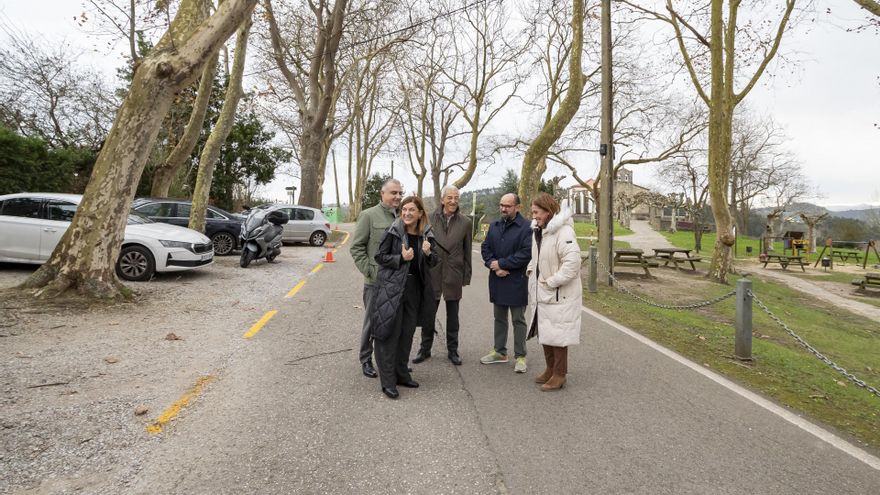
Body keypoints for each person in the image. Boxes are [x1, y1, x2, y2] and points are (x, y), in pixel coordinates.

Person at [370, 196, 438, 399]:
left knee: (407, 334)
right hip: (392, 289)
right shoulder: (393, 232)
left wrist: (427, 254)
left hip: (415, 291)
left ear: (420, 214)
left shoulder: (427, 235)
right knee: (389, 335)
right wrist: (401, 258)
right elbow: (380, 257)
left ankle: (402, 374)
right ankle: (388, 381)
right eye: (404, 210)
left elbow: (435, 261)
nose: (407, 213)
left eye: (411, 210)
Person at [525, 193, 582, 391]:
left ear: (548, 212)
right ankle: (550, 369)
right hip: (543, 292)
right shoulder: (540, 232)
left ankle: (560, 374)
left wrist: (551, 282)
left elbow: (573, 264)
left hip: (559, 294)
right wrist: (530, 269)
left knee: (558, 335)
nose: (534, 217)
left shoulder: (563, 232)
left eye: (536, 212)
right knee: (545, 330)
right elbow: (538, 257)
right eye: (533, 213)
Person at [413, 185, 472, 366]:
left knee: (453, 316)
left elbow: (467, 250)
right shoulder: (429, 218)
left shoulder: (466, 222)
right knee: (428, 314)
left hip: (454, 272)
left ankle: (453, 350)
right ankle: (425, 349)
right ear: (442, 200)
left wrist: (466, 276)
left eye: (456, 198)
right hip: (433, 272)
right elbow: (421, 245)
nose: (453, 201)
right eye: (450, 198)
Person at [350, 179, 402, 379]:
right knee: (372, 322)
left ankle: (390, 361)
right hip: (375, 282)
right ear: (382, 193)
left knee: (394, 323)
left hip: (397, 281)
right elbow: (356, 247)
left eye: (399, 193)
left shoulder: (403, 216)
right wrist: (369, 271)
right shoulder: (368, 215)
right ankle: (365, 359)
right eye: (393, 193)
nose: (397, 196)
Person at [480, 193, 532, 373]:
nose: (503, 208)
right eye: (501, 205)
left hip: (517, 280)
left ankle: (520, 356)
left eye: (508, 206)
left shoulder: (527, 227)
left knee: (518, 319)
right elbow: (485, 248)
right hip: (497, 279)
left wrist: (502, 264)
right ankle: (500, 352)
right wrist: (493, 265)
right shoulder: (494, 226)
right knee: (499, 318)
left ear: (517, 207)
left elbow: (526, 253)